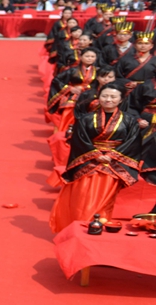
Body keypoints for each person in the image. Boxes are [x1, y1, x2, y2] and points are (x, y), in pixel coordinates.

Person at [50, 82, 143, 233]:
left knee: (104, 199)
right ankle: (78, 228)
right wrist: (97, 155)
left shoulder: (130, 120)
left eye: (113, 97)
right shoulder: (86, 118)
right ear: (99, 97)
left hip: (114, 164)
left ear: (121, 99)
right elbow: (79, 140)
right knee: (82, 198)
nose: (108, 99)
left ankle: (96, 226)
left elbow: (133, 142)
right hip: (89, 162)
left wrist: (111, 156)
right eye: (105, 96)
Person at [48, 48, 99, 133]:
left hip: (91, 95)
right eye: (87, 56)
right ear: (81, 57)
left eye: (92, 56)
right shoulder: (72, 70)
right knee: (70, 108)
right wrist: (70, 88)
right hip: (75, 95)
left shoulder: (98, 71)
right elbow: (57, 80)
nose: (90, 58)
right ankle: (65, 131)